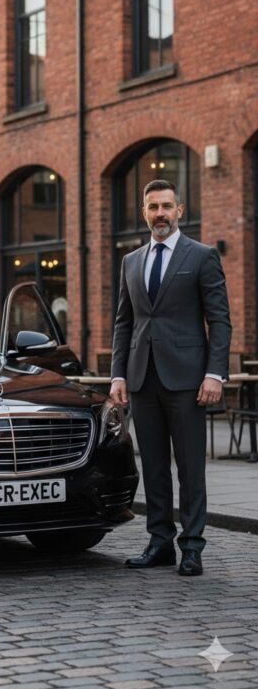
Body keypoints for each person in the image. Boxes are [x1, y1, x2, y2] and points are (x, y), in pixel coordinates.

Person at [109, 179, 231, 577]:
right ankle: (159, 541)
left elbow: (219, 319)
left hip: (188, 380)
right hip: (143, 378)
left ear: (180, 210)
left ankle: (192, 547)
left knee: (190, 467)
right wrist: (117, 376)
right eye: (152, 207)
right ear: (144, 213)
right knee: (155, 467)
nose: (159, 213)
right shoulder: (131, 261)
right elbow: (124, 324)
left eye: (166, 206)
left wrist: (215, 373)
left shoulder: (201, 256)